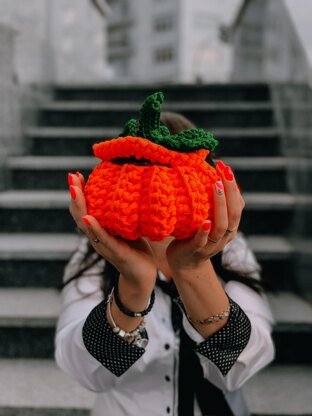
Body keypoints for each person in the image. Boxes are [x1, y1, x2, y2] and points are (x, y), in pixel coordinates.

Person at [55, 110, 275, 416]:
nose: (158, 188)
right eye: (143, 171)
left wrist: (193, 270)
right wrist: (133, 284)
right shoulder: (94, 256)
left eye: (172, 172)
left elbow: (240, 368)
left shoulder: (231, 250)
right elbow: (87, 371)